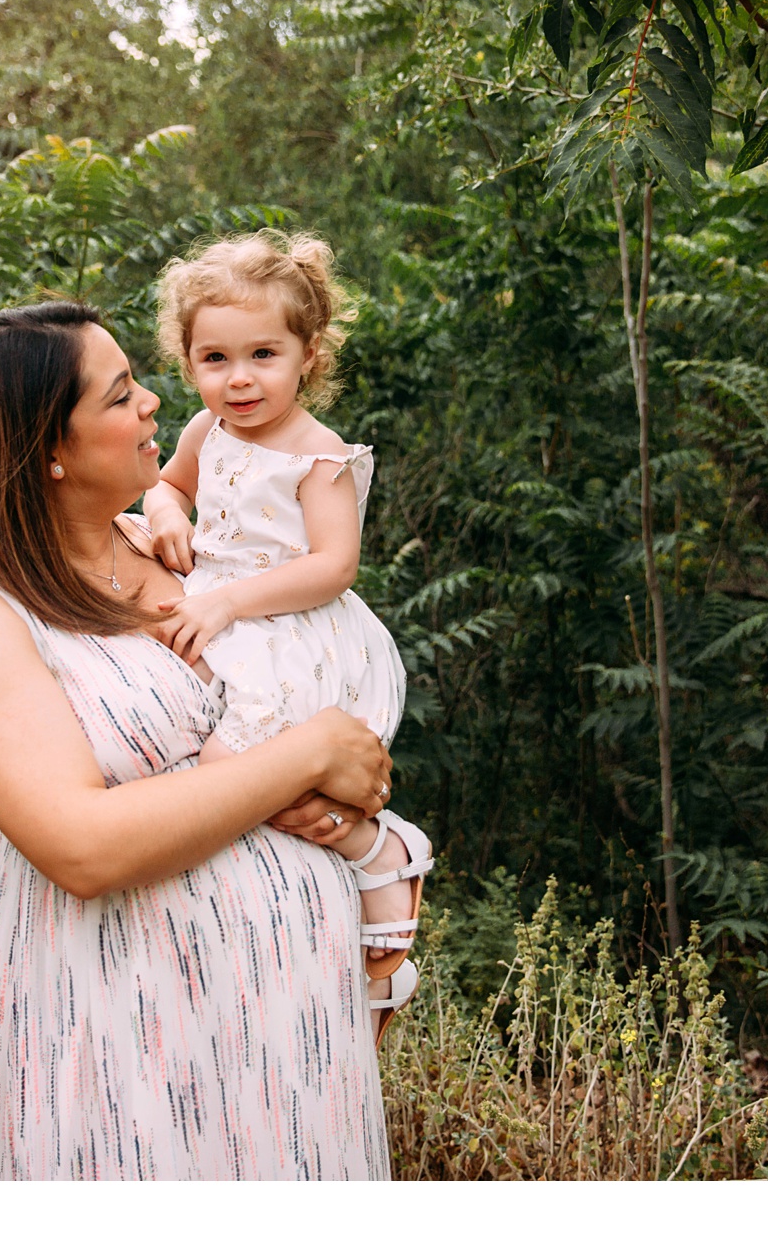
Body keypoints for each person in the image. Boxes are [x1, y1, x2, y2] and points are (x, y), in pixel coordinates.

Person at [0, 300, 395, 1179]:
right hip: (135, 1041)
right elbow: (82, 845)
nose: (155, 402)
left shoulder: (181, 552)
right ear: (46, 448)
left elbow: (300, 673)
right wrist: (308, 755)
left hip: (296, 1034)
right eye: (121, 394)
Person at [142, 231, 431, 1038]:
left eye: (263, 354)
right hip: (224, 615)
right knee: (238, 785)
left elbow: (335, 565)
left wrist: (231, 601)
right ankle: (346, 882)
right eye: (214, 358)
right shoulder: (207, 431)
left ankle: (380, 853)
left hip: (291, 631)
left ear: (308, 353)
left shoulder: (320, 456)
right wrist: (166, 513)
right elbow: (165, 484)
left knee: (227, 773)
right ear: (189, 360)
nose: (238, 379)